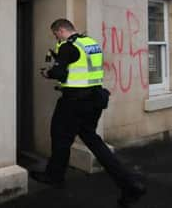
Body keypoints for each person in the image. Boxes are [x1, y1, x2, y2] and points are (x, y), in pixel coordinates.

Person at [29, 18, 147, 207]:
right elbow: (80, 69)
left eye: (55, 34)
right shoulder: (90, 43)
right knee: (93, 140)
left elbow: (59, 73)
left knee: (60, 136)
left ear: (60, 30)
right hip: (95, 100)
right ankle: (129, 183)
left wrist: (47, 73)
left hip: (74, 102)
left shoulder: (69, 46)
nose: (55, 38)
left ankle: (54, 177)